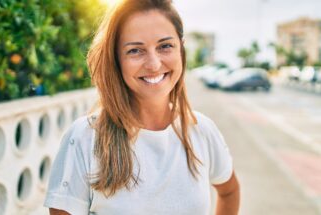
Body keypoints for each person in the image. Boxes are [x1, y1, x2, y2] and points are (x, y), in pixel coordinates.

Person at [44, 0, 240, 214]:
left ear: (180, 50)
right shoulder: (84, 138)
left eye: (165, 46)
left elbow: (229, 191)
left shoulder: (201, 130)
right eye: (135, 50)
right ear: (116, 59)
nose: (154, 64)